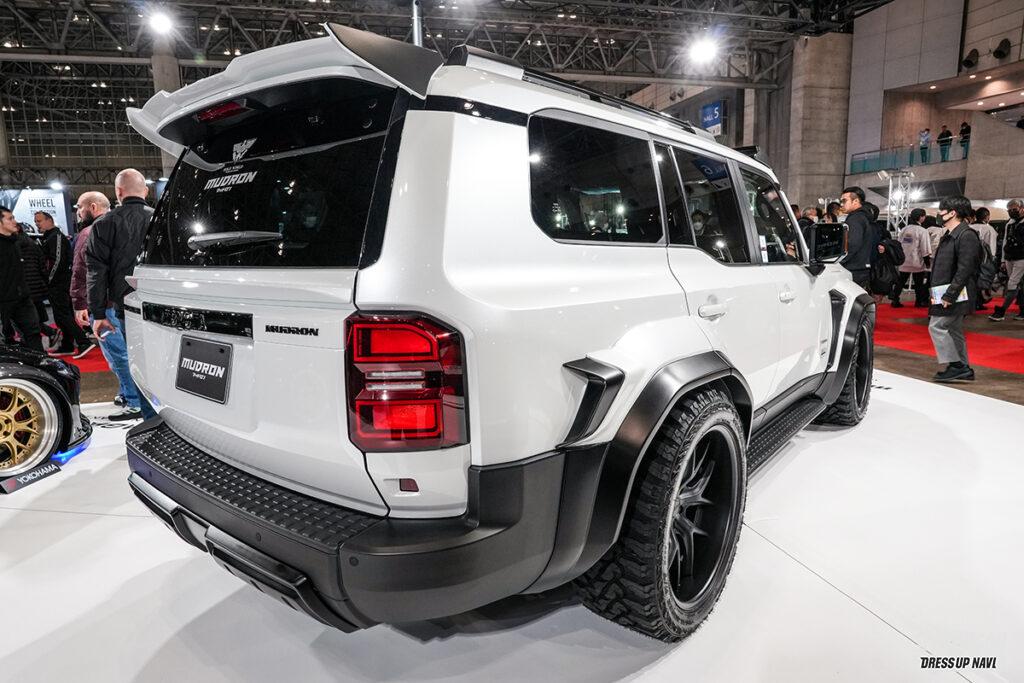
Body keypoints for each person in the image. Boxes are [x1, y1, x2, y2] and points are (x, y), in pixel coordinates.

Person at [86, 169, 156, 421]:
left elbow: (96, 272)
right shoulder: (160, 219)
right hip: (164, 305)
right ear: (145, 191)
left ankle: (150, 420)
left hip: (128, 308)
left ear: (118, 192)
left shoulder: (103, 224)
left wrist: (97, 314)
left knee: (139, 364)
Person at [71, 191, 134, 410]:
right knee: (126, 352)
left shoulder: (90, 232)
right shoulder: (124, 225)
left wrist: (79, 303)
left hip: (103, 305)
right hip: (125, 301)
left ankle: (133, 399)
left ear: (93, 207)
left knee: (117, 355)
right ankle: (128, 393)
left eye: (80, 207)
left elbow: (82, 270)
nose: (79, 212)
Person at [928, 195, 982, 382]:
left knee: (937, 326)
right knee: (953, 329)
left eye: (942, 210)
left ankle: (957, 365)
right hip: (945, 289)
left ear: (952, 213)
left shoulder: (966, 235)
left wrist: (950, 294)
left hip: (954, 291)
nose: (939, 213)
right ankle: (963, 367)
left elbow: (965, 269)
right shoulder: (951, 234)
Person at [35, 210, 94, 356]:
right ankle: (68, 344)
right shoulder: (49, 238)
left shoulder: (56, 237)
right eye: (36, 221)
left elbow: (57, 261)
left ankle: (83, 341)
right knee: (61, 315)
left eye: (39, 221)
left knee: (62, 315)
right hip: (58, 283)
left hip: (60, 283)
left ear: (49, 220)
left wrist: (49, 280)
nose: (37, 224)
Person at [0, 206, 44, 352]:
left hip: (23, 299)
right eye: (10, 218)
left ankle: (39, 363)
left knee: (33, 333)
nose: (15, 222)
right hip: (4, 302)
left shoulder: (15, 243)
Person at [13, 221, 59, 348]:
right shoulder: (32, 243)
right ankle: (49, 334)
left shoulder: (14, 245)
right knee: (30, 320)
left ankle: (43, 340)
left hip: (23, 288)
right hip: (36, 287)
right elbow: (42, 264)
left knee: (24, 321)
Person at [989, 198, 1024, 321]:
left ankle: (1001, 311)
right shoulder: (1009, 224)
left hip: (1021, 258)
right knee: (1018, 284)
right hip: (1010, 257)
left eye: (1014, 209)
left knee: (1013, 284)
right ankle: (1022, 310)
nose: (1011, 212)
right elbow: (1005, 241)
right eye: (1009, 210)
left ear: (1022, 209)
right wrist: (1003, 260)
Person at [892, 208, 932, 308]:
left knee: (900, 282)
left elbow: (899, 244)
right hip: (916, 261)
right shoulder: (922, 231)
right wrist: (927, 263)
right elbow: (925, 248)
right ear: (921, 217)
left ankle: (895, 300)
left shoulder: (904, 229)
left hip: (904, 260)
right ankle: (919, 302)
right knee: (919, 284)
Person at [838, 187, 874, 290]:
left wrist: (839, 261)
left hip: (853, 269)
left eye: (844, 201)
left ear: (856, 201)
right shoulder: (863, 216)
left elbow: (852, 243)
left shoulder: (855, 218)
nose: (842, 204)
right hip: (860, 267)